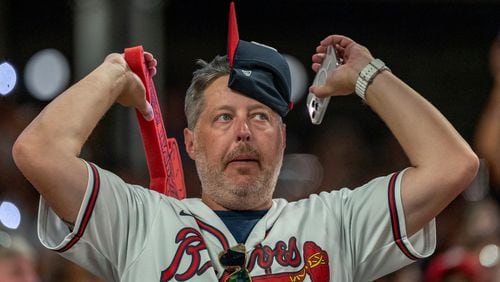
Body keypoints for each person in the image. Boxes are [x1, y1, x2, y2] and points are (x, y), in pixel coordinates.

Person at [12, 32, 478, 281]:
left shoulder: (339, 222)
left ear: (281, 140)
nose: (243, 132)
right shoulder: (138, 221)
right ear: (190, 143)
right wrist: (113, 74)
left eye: (260, 117)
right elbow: (37, 152)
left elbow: (453, 165)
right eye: (222, 118)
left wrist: (369, 76)